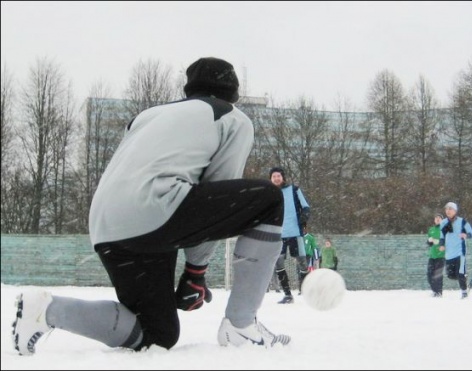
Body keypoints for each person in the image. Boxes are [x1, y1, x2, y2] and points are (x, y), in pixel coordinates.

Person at [12, 57, 291, 356]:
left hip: (106, 224)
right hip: (156, 209)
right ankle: (241, 325)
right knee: (268, 199)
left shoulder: (147, 115)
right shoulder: (231, 117)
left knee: (156, 334)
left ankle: (47, 310)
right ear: (233, 92)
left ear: (190, 90)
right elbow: (218, 186)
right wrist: (195, 272)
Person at [269, 167, 311, 304]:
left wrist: (304, 217)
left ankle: (306, 291)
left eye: (278, 176)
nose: (276, 178)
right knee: (279, 263)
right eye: (273, 176)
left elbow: (306, 207)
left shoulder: (294, 190)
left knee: (302, 263)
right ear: (271, 179)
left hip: (295, 233)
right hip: (278, 235)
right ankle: (288, 295)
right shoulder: (268, 193)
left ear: (283, 177)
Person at [439, 201, 472, 299]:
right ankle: (463, 278)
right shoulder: (443, 223)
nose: (448, 211)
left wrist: (466, 235)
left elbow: (471, 233)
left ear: (455, 210)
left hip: (460, 253)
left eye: (450, 209)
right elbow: (441, 236)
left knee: (460, 273)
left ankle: (464, 292)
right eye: (446, 209)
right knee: (450, 276)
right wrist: (441, 245)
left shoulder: (462, 221)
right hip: (449, 254)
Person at [426, 213, 445, 297]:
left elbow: (449, 241)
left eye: (439, 218)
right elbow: (429, 242)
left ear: (442, 220)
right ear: (434, 220)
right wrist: (429, 242)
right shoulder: (431, 230)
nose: (437, 219)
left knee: (438, 275)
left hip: (441, 256)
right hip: (432, 256)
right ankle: (434, 290)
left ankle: (439, 292)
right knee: (429, 275)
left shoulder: (445, 229)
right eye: (436, 218)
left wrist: (442, 245)